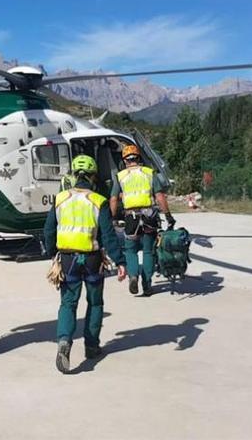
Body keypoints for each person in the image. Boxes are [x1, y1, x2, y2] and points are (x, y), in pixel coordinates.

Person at [44, 154, 127, 374]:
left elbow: (49, 230)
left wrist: (53, 253)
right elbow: (108, 235)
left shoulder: (59, 198)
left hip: (68, 259)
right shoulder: (98, 200)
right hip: (92, 260)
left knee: (68, 304)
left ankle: (64, 341)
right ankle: (91, 346)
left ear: (73, 174)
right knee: (95, 303)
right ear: (92, 176)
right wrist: (120, 261)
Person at [110, 144, 175, 297]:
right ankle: (146, 285)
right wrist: (168, 216)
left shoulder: (120, 176)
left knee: (130, 250)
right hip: (149, 216)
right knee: (148, 251)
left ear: (125, 160)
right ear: (139, 158)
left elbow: (113, 199)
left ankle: (133, 276)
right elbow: (160, 197)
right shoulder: (149, 173)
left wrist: (112, 217)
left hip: (130, 218)